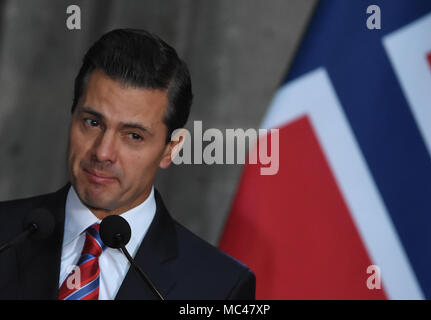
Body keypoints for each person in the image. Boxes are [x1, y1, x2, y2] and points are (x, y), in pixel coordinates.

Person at [0, 29, 255, 300]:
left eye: (134, 136)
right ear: (72, 115)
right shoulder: (7, 236)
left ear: (171, 148)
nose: (102, 152)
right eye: (92, 122)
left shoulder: (219, 285)